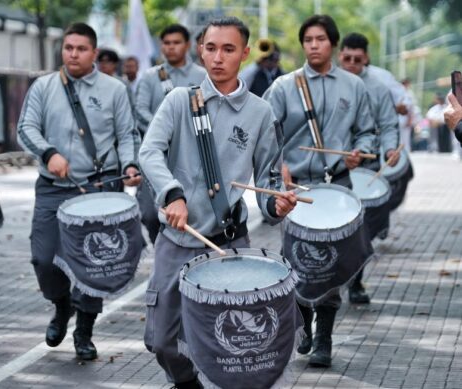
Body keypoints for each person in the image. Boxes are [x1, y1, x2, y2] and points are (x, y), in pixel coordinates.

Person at [139, 17, 297, 388]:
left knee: (234, 344)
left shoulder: (261, 112)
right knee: (160, 340)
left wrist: (278, 205)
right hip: (176, 241)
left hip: (227, 244)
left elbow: (269, 181)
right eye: (211, 48)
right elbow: (149, 152)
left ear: (244, 53)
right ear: (201, 50)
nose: (218, 58)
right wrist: (172, 194)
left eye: (228, 49)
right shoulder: (179, 100)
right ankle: (186, 383)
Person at [17, 22, 141, 361]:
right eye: (68, 47)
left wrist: (130, 165)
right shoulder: (43, 87)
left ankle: (84, 330)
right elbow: (25, 128)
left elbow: (128, 134)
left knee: (94, 262)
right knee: (44, 258)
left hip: (100, 188)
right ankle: (61, 306)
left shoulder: (114, 89)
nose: (73, 54)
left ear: (94, 54)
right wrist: (48, 153)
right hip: (53, 188)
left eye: (81, 49)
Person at [263, 14, 376, 368]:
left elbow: (367, 132)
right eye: (308, 39)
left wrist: (361, 152)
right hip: (297, 189)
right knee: (296, 260)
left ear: (334, 45)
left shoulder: (354, 86)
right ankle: (301, 323)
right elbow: (265, 134)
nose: (313, 45)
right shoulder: (284, 86)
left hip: (337, 186)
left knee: (330, 263)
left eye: (320, 39)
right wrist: (276, 166)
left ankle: (324, 338)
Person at [338, 32, 400, 304]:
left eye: (357, 60)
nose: (351, 63)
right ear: (340, 56)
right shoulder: (329, 83)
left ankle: (356, 282)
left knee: (362, 231)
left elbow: (388, 125)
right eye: (347, 58)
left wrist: (389, 149)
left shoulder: (377, 87)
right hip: (333, 168)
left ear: (367, 59)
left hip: (368, 167)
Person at [135, 24, 206, 245]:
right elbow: (140, 111)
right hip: (157, 155)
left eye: (176, 43)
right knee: (149, 213)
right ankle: (163, 248)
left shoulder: (202, 75)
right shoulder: (150, 77)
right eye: (166, 43)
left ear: (187, 45)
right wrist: (166, 129)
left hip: (192, 155)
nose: (171, 47)